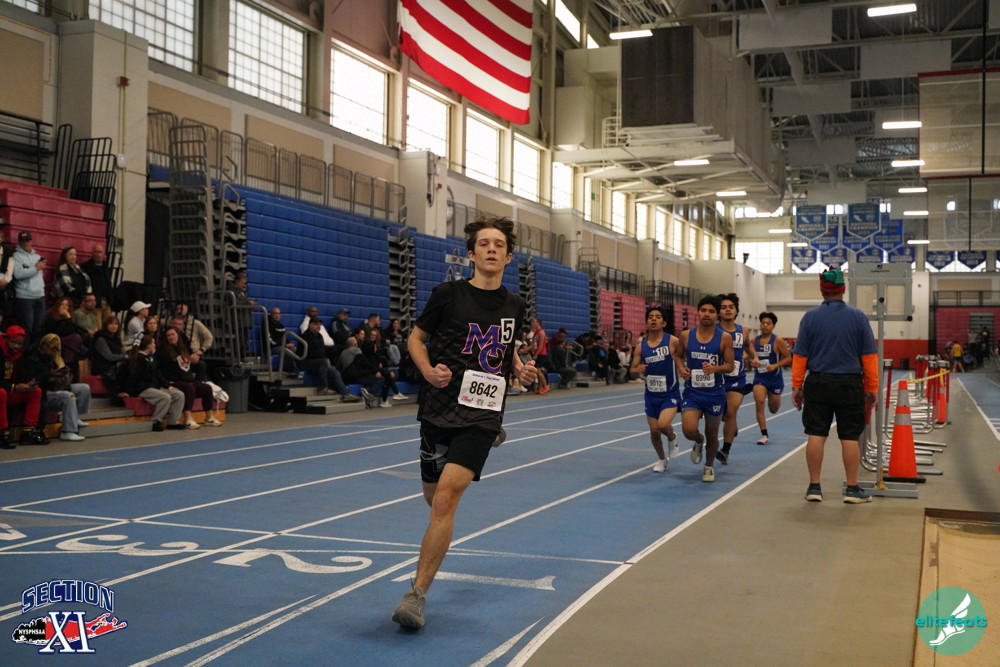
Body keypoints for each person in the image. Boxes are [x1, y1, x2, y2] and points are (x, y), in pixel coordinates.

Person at [391, 216, 537, 630]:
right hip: (439, 408)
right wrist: (427, 370)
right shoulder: (447, 295)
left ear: (508, 257)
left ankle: (416, 596)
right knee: (432, 495)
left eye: (499, 244)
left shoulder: (515, 305)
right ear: (471, 254)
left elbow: (506, 347)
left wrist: (519, 368)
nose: (491, 249)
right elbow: (416, 339)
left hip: (483, 413)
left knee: (445, 501)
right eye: (484, 244)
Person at [791, 266, 878, 504]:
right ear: (843, 289)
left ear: (822, 290)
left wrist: (797, 386)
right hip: (849, 384)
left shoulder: (810, 318)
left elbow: (800, 356)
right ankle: (852, 489)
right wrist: (872, 388)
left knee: (816, 434)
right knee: (849, 437)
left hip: (818, 382)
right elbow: (869, 357)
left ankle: (814, 487)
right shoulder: (858, 317)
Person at [676, 294, 734, 484]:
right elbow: (678, 356)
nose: (707, 314)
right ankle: (698, 441)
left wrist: (714, 369)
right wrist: (681, 368)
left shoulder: (724, 338)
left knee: (712, 433)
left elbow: (730, 366)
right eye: (703, 310)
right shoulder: (686, 335)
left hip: (714, 394)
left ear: (717, 315)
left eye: (711, 311)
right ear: (698, 312)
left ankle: (709, 466)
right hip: (693, 392)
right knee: (688, 429)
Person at [631, 306, 682, 472]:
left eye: (658, 317)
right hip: (651, 394)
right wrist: (637, 369)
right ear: (646, 322)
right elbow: (632, 369)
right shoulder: (641, 347)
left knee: (662, 425)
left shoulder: (672, 341)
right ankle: (662, 460)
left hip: (670, 393)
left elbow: (684, 356)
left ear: (664, 323)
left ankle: (672, 436)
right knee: (654, 431)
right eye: (651, 317)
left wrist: (683, 369)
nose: (653, 319)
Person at [21, 334, 91, 441]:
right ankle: (68, 431)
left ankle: (76, 416)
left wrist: (64, 374)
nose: (55, 352)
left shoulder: (54, 358)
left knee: (84, 388)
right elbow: (32, 380)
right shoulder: (33, 358)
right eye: (53, 348)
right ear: (44, 346)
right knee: (68, 396)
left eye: (57, 349)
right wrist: (50, 374)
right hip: (44, 391)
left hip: (56, 387)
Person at [716, 293, 758, 465]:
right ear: (718, 311)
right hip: (716, 379)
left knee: (731, 412)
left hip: (737, 379)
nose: (727, 310)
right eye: (724, 307)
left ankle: (725, 450)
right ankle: (731, 425)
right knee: (720, 415)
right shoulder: (713, 330)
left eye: (731, 307)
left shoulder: (743, 331)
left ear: (736, 310)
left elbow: (748, 346)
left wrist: (755, 357)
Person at [156, 326, 223, 428]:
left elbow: (189, 362)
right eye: (168, 335)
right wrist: (187, 359)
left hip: (187, 379)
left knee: (206, 388)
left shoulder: (184, 347)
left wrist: (194, 360)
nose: (171, 337)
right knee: (189, 388)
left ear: (178, 335)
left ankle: (209, 417)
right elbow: (170, 365)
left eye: (173, 334)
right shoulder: (162, 351)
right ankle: (187, 419)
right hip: (173, 380)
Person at [117, 334, 185, 432]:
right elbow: (132, 377)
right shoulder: (137, 359)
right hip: (141, 388)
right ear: (148, 345)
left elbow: (158, 375)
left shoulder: (151, 358)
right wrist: (127, 391)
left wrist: (168, 386)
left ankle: (172, 421)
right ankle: (155, 421)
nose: (154, 345)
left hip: (154, 387)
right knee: (165, 397)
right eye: (153, 343)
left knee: (179, 395)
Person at [0, 325, 49, 448]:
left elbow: (21, 375)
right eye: (13, 342)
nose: (16, 346)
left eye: (19, 344)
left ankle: (28, 431)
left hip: (11, 391)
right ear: (6, 339)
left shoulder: (19, 355)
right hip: (4, 391)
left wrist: (28, 384)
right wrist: (14, 387)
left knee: (36, 392)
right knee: (1, 393)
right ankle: (2, 432)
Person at [751, 311, 791, 445]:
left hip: (774, 379)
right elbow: (749, 354)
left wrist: (775, 365)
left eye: (768, 323)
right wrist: (752, 360)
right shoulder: (754, 341)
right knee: (759, 402)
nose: (765, 325)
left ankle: (772, 397)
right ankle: (764, 434)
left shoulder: (777, 341)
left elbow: (788, 358)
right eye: (763, 323)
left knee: (773, 409)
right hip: (760, 378)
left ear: (773, 326)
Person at [298, 317, 360, 403]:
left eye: (319, 324)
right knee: (324, 362)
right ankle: (322, 388)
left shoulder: (319, 336)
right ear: (309, 325)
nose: (318, 326)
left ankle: (345, 394)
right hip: (306, 362)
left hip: (319, 362)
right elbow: (311, 353)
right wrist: (325, 359)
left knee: (334, 370)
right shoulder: (305, 337)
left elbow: (322, 350)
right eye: (315, 324)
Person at [12, 231, 46, 345]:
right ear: (19, 242)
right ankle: (24, 352)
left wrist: (35, 268)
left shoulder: (38, 257)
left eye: (27, 240)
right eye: (22, 241)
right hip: (24, 297)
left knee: (38, 328)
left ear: (31, 241)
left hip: (40, 295)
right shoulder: (16, 256)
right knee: (27, 328)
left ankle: (34, 352)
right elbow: (18, 274)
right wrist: (35, 268)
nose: (25, 243)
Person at [91, 316, 126, 391]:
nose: (114, 326)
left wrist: (122, 358)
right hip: (103, 366)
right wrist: (122, 358)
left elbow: (123, 352)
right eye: (111, 324)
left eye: (116, 324)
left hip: (114, 364)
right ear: (106, 325)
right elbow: (109, 356)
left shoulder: (117, 338)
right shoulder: (100, 338)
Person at [81, 243, 113, 318]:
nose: (98, 255)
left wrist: (111, 299)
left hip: (107, 301)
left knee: (109, 322)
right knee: (97, 323)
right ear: (92, 253)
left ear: (104, 254)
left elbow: (108, 283)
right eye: (96, 252)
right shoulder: (87, 267)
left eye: (100, 252)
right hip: (95, 302)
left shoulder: (105, 266)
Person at [266, 307, 298, 375]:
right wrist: (285, 345)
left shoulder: (281, 325)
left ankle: (298, 371)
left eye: (279, 313)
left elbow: (285, 337)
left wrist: (289, 343)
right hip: (272, 348)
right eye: (275, 313)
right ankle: (290, 372)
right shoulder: (266, 325)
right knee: (289, 353)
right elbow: (270, 341)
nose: (277, 315)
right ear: (271, 314)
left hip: (282, 346)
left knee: (296, 350)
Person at [529, 318, 551, 394]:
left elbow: (541, 344)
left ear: (538, 323)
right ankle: (540, 387)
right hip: (537, 352)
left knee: (538, 370)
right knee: (537, 371)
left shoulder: (541, 332)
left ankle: (545, 386)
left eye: (534, 322)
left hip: (541, 353)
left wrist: (536, 354)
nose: (533, 323)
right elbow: (533, 344)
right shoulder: (535, 333)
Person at [0, 228, 15, 321]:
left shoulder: (8, 253)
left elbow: (10, 270)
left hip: (3, 286)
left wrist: (5, 281)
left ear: (2, 238)